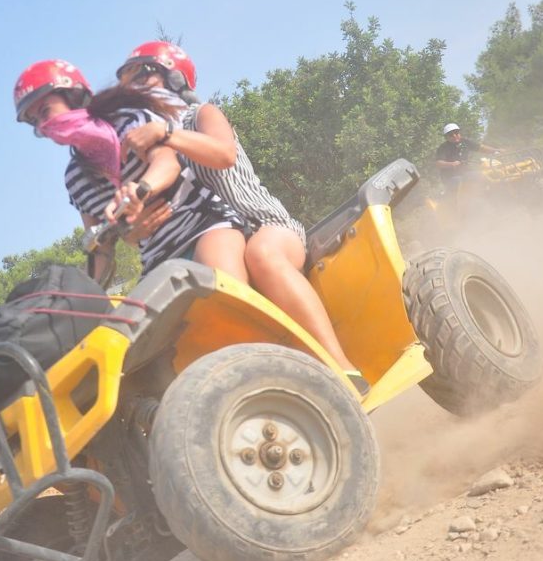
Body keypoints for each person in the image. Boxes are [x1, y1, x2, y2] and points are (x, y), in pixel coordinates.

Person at [115, 41, 369, 395]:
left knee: (261, 255)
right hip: (209, 242)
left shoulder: (201, 115)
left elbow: (223, 155)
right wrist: (133, 227)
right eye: (125, 83)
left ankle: (341, 370)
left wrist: (168, 134)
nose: (130, 91)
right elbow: (136, 219)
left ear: (172, 79)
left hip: (264, 226)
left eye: (139, 77)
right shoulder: (139, 148)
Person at [13, 59, 249, 287]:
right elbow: (101, 247)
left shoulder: (128, 121)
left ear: (73, 96)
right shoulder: (76, 179)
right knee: (133, 325)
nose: (43, 125)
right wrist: (77, 290)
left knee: (224, 288)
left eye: (45, 112)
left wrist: (140, 190)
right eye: (35, 122)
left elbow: (167, 163)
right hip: (157, 260)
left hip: (204, 225)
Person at [435, 123, 503, 204]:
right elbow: (438, 163)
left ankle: (491, 197)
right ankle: (460, 205)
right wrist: (451, 164)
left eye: (456, 132)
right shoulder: (443, 147)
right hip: (451, 177)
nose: (454, 135)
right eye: (450, 134)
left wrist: (496, 150)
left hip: (466, 173)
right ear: (446, 137)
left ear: (459, 133)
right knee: (460, 181)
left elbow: (481, 148)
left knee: (483, 175)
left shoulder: (465, 142)